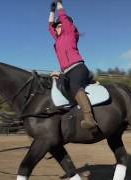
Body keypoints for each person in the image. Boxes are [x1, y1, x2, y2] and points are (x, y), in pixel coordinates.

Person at [48, 0, 97, 129]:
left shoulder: (70, 33)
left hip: (77, 68)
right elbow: (50, 26)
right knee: (58, 88)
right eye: (57, 26)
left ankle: (89, 119)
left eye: (59, 25)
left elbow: (64, 18)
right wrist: (52, 10)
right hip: (66, 72)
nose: (57, 28)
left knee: (75, 87)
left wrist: (59, 4)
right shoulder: (58, 40)